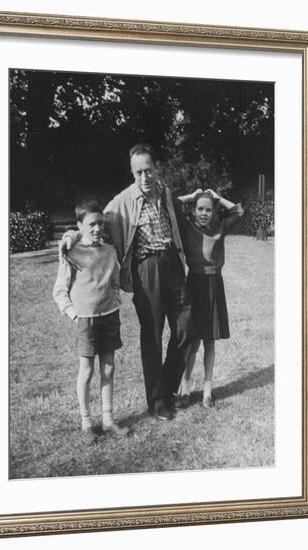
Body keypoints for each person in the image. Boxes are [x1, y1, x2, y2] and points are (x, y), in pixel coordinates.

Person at [61, 144, 193, 421]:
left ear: (156, 168)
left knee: (187, 329)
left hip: (173, 266)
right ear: (132, 173)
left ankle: (167, 389)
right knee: (153, 335)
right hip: (147, 269)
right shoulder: (123, 201)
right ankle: (158, 403)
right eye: (138, 173)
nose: (144, 177)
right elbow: (93, 219)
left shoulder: (166, 193)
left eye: (148, 170)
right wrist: (73, 233)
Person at [53, 198, 129, 445]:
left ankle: (108, 420)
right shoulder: (71, 252)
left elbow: (115, 280)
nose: (97, 229)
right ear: (79, 226)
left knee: (108, 368)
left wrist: (114, 298)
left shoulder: (109, 251)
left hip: (110, 317)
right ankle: (87, 423)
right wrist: (75, 314)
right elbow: (59, 291)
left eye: (100, 224)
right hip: (86, 322)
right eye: (91, 225)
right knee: (87, 371)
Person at [176, 188, 244, 408]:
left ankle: (207, 391)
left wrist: (217, 197)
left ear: (214, 211)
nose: (204, 213)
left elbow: (238, 211)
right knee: (192, 342)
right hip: (194, 284)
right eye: (200, 209)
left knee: (209, 341)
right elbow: (172, 205)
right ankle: (185, 389)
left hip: (214, 285)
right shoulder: (187, 226)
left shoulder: (220, 227)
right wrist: (191, 195)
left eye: (208, 209)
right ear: (194, 211)